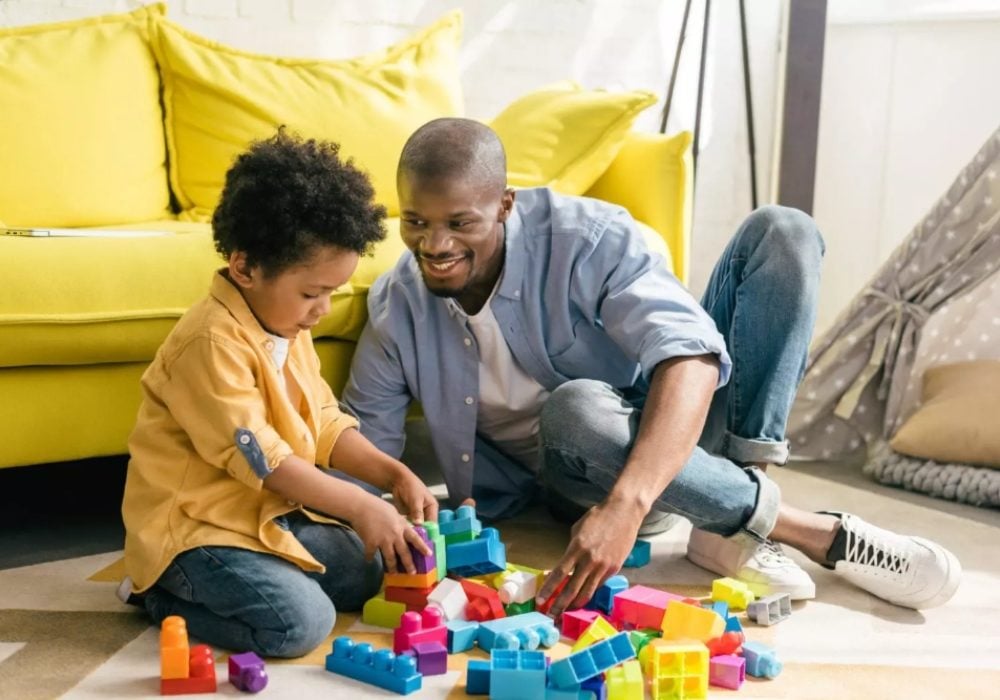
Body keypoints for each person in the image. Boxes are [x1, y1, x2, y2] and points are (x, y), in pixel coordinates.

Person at [343, 117, 962, 616]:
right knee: (578, 411)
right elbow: (364, 449)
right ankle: (811, 532)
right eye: (416, 222)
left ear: (504, 205)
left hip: (654, 455)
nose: (435, 245)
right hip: (575, 478)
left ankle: (730, 518)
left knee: (784, 232)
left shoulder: (587, 239)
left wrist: (627, 508)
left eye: (460, 223)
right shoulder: (398, 306)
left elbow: (689, 354)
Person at [119, 129, 438, 658]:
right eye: (313, 293)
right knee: (300, 625)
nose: (323, 309)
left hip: (264, 514)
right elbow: (267, 462)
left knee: (369, 571)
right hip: (197, 532)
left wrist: (392, 474)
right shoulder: (209, 341)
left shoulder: (288, 325)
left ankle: (264, 574)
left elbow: (324, 423)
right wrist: (361, 505)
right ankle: (154, 591)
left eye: (333, 293)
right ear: (245, 267)